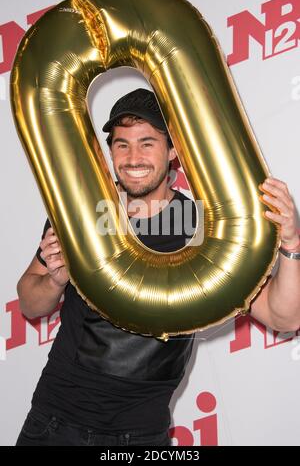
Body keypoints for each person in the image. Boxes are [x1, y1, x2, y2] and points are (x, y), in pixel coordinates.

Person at [15, 88, 300, 446]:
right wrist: (55, 282)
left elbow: (284, 317)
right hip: (55, 424)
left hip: (140, 435)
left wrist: (291, 243)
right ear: (110, 152)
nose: (133, 157)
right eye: (122, 144)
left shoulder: (202, 229)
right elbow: (29, 300)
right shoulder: (82, 212)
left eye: (147, 143)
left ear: (173, 151)